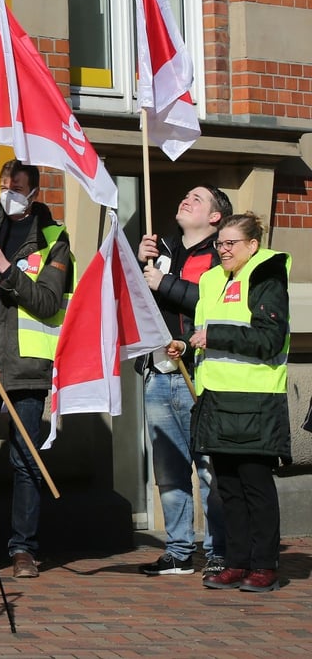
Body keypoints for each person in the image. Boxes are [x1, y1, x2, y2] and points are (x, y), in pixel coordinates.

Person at [0, 159, 73, 579]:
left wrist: (7, 273)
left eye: (17, 187)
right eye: (4, 185)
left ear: (34, 193)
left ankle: (24, 547)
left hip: (25, 366)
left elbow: (46, 302)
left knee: (26, 460)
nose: (8, 192)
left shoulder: (53, 240)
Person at [172, 212, 290, 593]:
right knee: (228, 488)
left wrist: (214, 335)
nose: (222, 250)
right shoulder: (210, 280)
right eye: (220, 243)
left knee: (255, 485)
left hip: (255, 399)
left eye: (230, 243)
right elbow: (204, 334)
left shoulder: (266, 275)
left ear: (252, 245)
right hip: (216, 398)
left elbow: (269, 339)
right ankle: (237, 562)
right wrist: (186, 346)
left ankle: (264, 565)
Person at [135, 185, 232, 578]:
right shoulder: (161, 250)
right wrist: (139, 267)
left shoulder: (221, 254)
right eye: (185, 196)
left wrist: (163, 283)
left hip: (199, 374)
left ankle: (219, 549)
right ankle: (177, 551)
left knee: (210, 469)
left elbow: (212, 301)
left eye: (197, 198)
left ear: (214, 216)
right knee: (170, 471)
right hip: (158, 372)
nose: (185, 200)